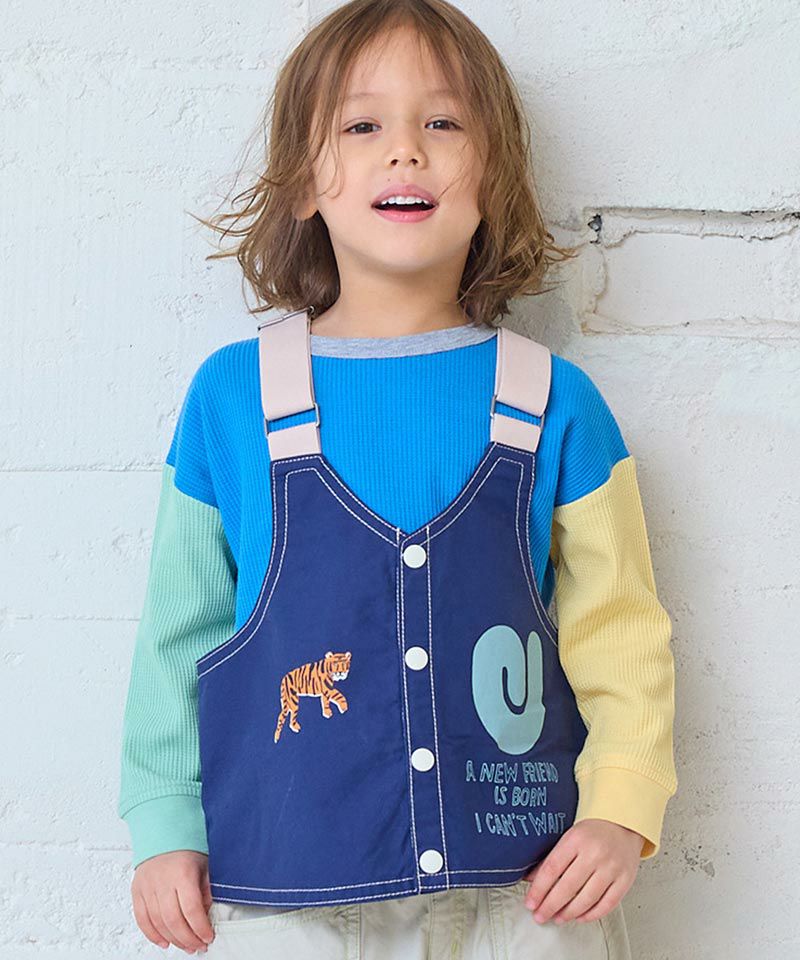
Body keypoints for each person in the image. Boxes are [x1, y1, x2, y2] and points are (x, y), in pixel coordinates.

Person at [117, 1, 677, 956]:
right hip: (288, 898)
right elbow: (181, 629)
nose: (405, 151)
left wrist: (622, 805)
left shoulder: (557, 401)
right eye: (361, 126)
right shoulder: (232, 398)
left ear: (494, 174)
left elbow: (620, 629)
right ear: (304, 182)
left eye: (444, 122)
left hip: (526, 896)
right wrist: (165, 818)